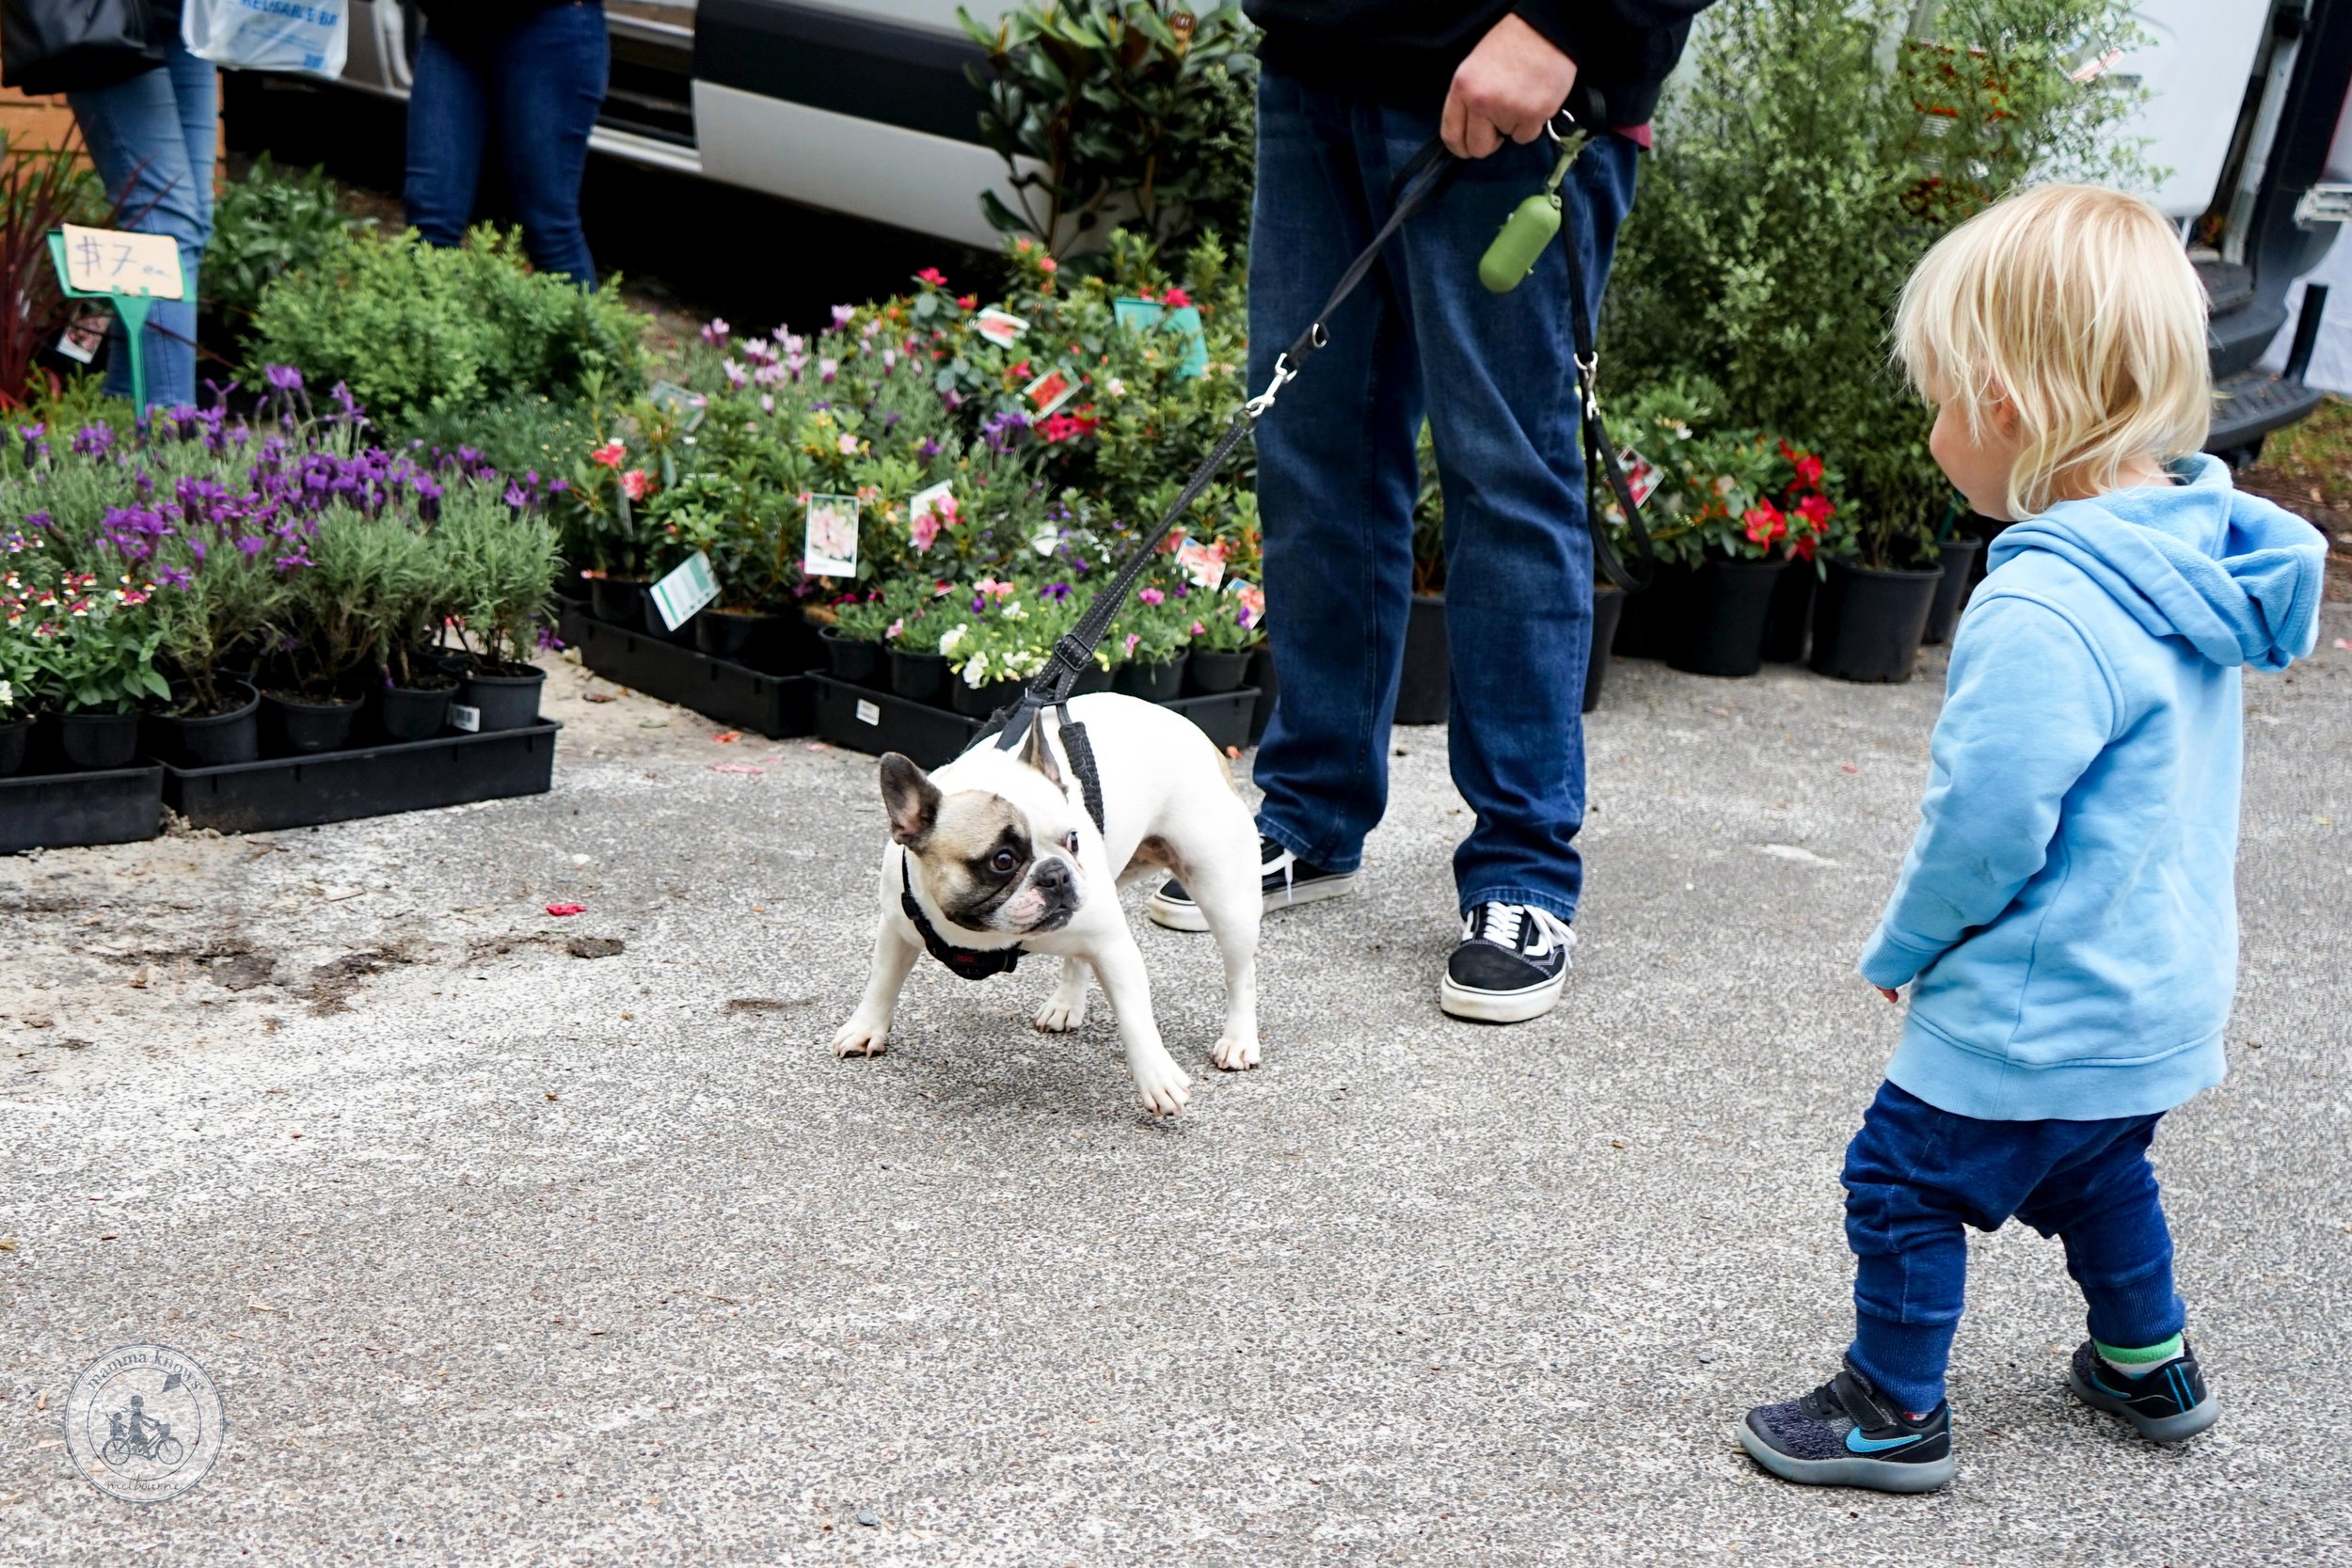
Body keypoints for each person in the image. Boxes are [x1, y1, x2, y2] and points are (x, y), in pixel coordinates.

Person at [1738, 184, 2327, 1495]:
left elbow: (1991, 827)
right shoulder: (2195, 555)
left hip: (2033, 997)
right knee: (2099, 1160)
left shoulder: (2046, 600)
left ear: (2004, 402)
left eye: (1943, 397)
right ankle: (2147, 1358)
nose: (1938, 426)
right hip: (2155, 989)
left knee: (1899, 1178)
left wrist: (1908, 944)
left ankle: (1892, 1405)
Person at [1147, 1, 1714, 1023]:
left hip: (1519, 83)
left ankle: (1522, 873)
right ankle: (1312, 818)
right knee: (1315, 455)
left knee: (1506, 476)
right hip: (1321, 54)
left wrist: (1561, 24)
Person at [63, 0, 214, 411]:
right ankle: (170, 442)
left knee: (193, 221)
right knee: (167, 227)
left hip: (186, 20)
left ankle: (120, 417)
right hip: (104, 16)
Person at [403, 0, 608, 284]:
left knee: (548, 229)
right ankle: (434, 325)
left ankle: (578, 329)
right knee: (429, 216)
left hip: (547, 27)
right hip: (453, 28)